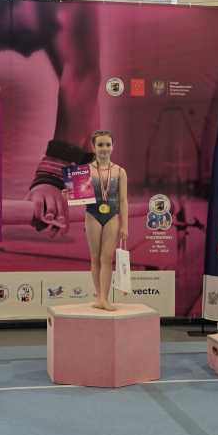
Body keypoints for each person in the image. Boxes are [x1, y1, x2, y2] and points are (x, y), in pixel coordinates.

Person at [84, 130, 128, 311]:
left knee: (107, 258)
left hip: (112, 216)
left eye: (108, 144)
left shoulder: (120, 171)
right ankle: (99, 297)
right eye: (100, 145)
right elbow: (78, 196)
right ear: (93, 147)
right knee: (95, 257)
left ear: (113, 146)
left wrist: (125, 226)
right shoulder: (85, 170)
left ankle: (105, 298)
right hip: (92, 215)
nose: (104, 148)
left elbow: (123, 200)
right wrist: (68, 195)